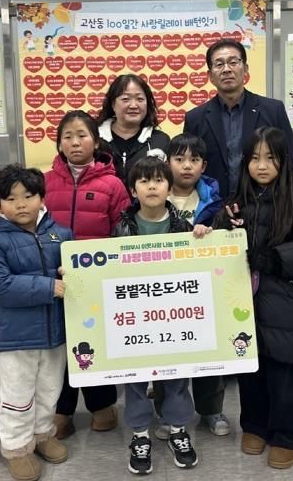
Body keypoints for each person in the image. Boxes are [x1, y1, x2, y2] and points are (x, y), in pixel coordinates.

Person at [215, 127, 293, 469]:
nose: (261, 166)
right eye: (254, 158)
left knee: (282, 371)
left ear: (283, 160)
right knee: (250, 367)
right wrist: (224, 224)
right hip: (243, 301)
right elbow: (218, 240)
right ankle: (255, 426)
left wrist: (273, 258)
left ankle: (289, 435)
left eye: (270, 158)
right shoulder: (238, 198)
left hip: (284, 299)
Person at [113, 156, 211, 475]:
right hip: (135, 319)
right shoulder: (121, 228)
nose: (152, 186)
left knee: (177, 375)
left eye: (158, 180)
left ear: (169, 188)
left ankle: (178, 430)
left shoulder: (183, 227)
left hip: (174, 318)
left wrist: (203, 237)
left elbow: (199, 267)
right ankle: (140, 435)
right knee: (135, 378)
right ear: (133, 190)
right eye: (144, 181)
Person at [0, 165, 74, 481]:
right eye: (11, 198)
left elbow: (76, 277)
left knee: (50, 390)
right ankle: (17, 448)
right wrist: (48, 286)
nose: (21, 204)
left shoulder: (61, 234)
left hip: (55, 333)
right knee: (17, 396)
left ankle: (43, 434)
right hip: (15, 337)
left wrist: (73, 273)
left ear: (42, 198)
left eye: (28, 196)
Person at [44, 110, 130, 439]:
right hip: (57, 279)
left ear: (96, 140)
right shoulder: (45, 182)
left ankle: (102, 405)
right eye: (67, 136)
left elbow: (123, 231)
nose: (75, 142)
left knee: (95, 341)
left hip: (98, 281)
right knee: (61, 345)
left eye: (82, 135)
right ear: (59, 143)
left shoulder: (113, 184)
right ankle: (62, 410)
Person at [150, 133, 227, 439]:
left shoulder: (214, 199)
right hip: (163, 288)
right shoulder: (155, 192)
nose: (186, 166)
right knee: (166, 351)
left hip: (204, 286)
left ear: (203, 165)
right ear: (168, 162)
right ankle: (166, 412)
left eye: (194, 160)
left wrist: (212, 233)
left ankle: (211, 410)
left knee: (208, 349)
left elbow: (225, 238)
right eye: (179, 159)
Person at [183, 39, 293, 199]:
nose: (226, 69)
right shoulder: (195, 118)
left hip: (266, 204)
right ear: (210, 76)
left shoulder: (273, 110)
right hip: (213, 205)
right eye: (219, 64)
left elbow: (290, 160)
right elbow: (189, 166)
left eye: (233, 62)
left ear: (245, 69)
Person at [96, 74, 170, 183]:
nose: (134, 105)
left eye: (140, 99)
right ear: (112, 104)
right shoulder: (95, 140)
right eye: (125, 99)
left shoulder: (161, 141)